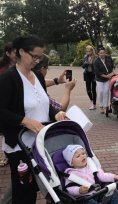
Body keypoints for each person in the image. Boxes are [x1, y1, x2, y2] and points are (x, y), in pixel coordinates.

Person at [0, 35, 67, 204]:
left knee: (49, 185)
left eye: (40, 57)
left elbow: (44, 104)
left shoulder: (38, 76)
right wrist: (24, 120)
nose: (37, 60)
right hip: (20, 147)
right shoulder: (9, 78)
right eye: (34, 56)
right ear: (21, 52)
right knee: (24, 193)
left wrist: (56, 114)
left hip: (41, 143)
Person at [0, 42, 17, 167]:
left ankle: (8, 153)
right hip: (4, 102)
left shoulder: (19, 65)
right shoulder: (2, 69)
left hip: (15, 103)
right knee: (4, 130)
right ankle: (5, 154)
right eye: (14, 52)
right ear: (7, 53)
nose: (17, 54)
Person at [93, 47, 115, 114]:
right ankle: (101, 106)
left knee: (106, 92)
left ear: (105, 53)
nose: (102, 54)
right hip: (100, 79)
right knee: (101, 92)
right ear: (98, 54)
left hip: (108, 78)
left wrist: (111, 74)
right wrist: (106, 76)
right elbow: (97, 72)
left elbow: (112, 67)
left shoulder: (109, 58)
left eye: (103, 53)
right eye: (101, 53)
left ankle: (106, 106)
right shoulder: (96, 61)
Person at [82, 45, 97, 110]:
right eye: (87, 51)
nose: (88, 52)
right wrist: (87, 63)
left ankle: (94, 104)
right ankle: (91, 100)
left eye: (89, 51)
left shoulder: (95, 57)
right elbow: (83, 66)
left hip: (94, 74)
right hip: (87, 74)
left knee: (93, 90)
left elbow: (97, 67)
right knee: (88, 90)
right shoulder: (85, 57)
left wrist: (92, 63)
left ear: (92, 51)